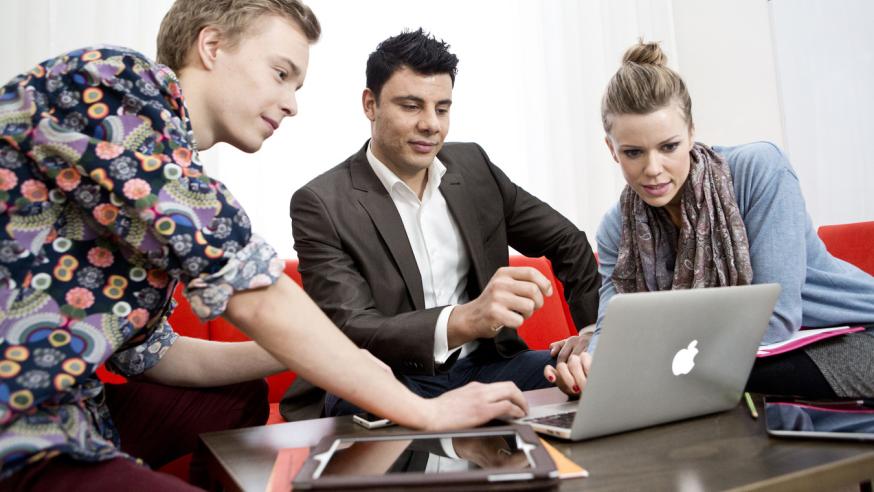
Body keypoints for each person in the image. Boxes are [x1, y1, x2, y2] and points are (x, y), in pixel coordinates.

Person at [0, 2, 529, 489]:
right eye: (281, 73)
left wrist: (320, 353)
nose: (292, 104)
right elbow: (253, 291)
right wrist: (427, 411)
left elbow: (155, 355)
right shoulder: (119, 84)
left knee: (233, 399)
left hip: (78, 409)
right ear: (212, 47)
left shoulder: (145, 181)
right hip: (22, 420)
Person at [282, 29, 600, 420]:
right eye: (411, 106)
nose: (431, 124)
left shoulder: (474, 168)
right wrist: (466, 319)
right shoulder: (322, 203)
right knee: (357, 406)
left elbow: (569, 242)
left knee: (593, 381)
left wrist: (590, 335)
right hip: (385, 377)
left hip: (489, 369)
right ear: (370, 104)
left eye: (442, 108)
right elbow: (351, 328)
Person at [584, 40, 874, 399]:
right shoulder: (617, 229)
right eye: (633, 152)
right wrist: (590, 370)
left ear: (691, 133)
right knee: (663, 391)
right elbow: (613, 330)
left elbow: (777, 318)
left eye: (669, 146)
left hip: (854, 334)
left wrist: (652, 358)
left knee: (706, 385)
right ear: (612, 150)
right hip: (743, 359)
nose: (653, 169)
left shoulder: (759, 169)